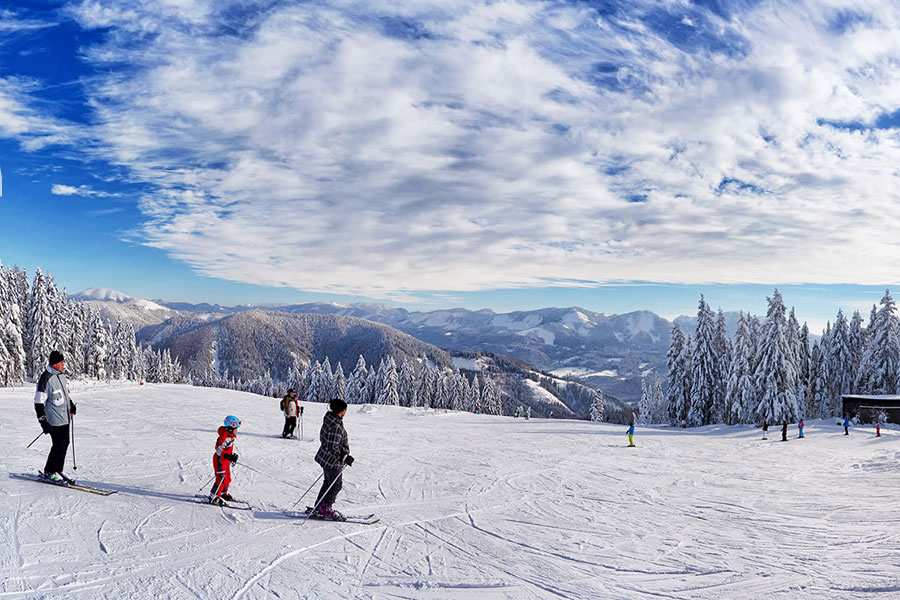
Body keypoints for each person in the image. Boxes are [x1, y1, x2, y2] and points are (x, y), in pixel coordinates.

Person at [34, 350, 76, 484]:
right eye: (61, 362)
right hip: (54, 420)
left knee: (65, 443)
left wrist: (71, 404)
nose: (63, 364)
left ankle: (58, 470)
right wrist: (43, 422)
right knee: (57, 445)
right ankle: (49, 471)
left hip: (65, 418)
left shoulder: (61, 376)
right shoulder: (46, 378)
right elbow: (39, 401)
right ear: (55, 363)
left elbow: (63, 394)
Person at [313, 399, 352, 520]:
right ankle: (325, 508)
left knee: (328, 482)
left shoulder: (331, 419)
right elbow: (333, 446)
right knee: (336, 485)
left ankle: (320, 506)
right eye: (345, 409)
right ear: (341, 411)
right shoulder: (335, 425)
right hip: (332, 461)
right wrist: (345, 457)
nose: (345, 412)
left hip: (325, 457)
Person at [209, 415, 240, 505]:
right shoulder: (225, 437)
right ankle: (214, 497)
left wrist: (231, 456)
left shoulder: (230, 436)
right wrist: (227, 455)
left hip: (225, 461)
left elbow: (226, 449)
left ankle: (223, 493)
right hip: (220, 460)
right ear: (231, 427)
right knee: (221, 478)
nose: (237, 430)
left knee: (227, 478)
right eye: (236, 428)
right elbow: (218, 448)